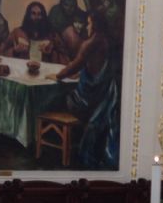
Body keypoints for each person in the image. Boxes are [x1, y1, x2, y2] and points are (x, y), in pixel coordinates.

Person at [48, 11, 119, 169]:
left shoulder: (91, 42)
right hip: (104, 94)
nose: (87, 26)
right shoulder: (106, 40)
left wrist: (58, 76)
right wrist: (81, 74)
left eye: (88, 23)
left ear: (95, 24)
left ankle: (50, 148)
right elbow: (95, 66)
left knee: (55, 99)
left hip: (88, 100)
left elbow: (75, 64)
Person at [0, 1, 66, 63]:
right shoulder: (17, 32)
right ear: (28, 15)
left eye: (39, 14)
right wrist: (15, 51)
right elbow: (1, 53)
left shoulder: (52, 35)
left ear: (43, 16)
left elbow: (64, 58)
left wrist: (51, 53)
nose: (36, 17)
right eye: (33, 13)